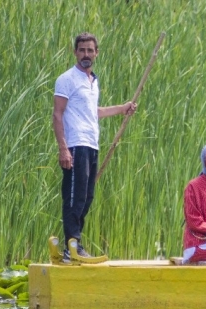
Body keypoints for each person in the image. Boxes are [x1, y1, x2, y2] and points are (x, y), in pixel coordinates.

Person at [52, 32, 137, 262]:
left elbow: (94, 112)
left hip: (92, 145)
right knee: (74, 196)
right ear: (75, 52)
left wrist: (122, 108)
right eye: (82, 50)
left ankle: (75, 244)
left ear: (96, 53)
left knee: (87, 197)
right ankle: (72, 246)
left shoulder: (93, 81)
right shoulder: (67, 79)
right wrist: (63, 148)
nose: (86, 54)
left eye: (90, 50)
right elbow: (57, 114)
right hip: (75, 145)